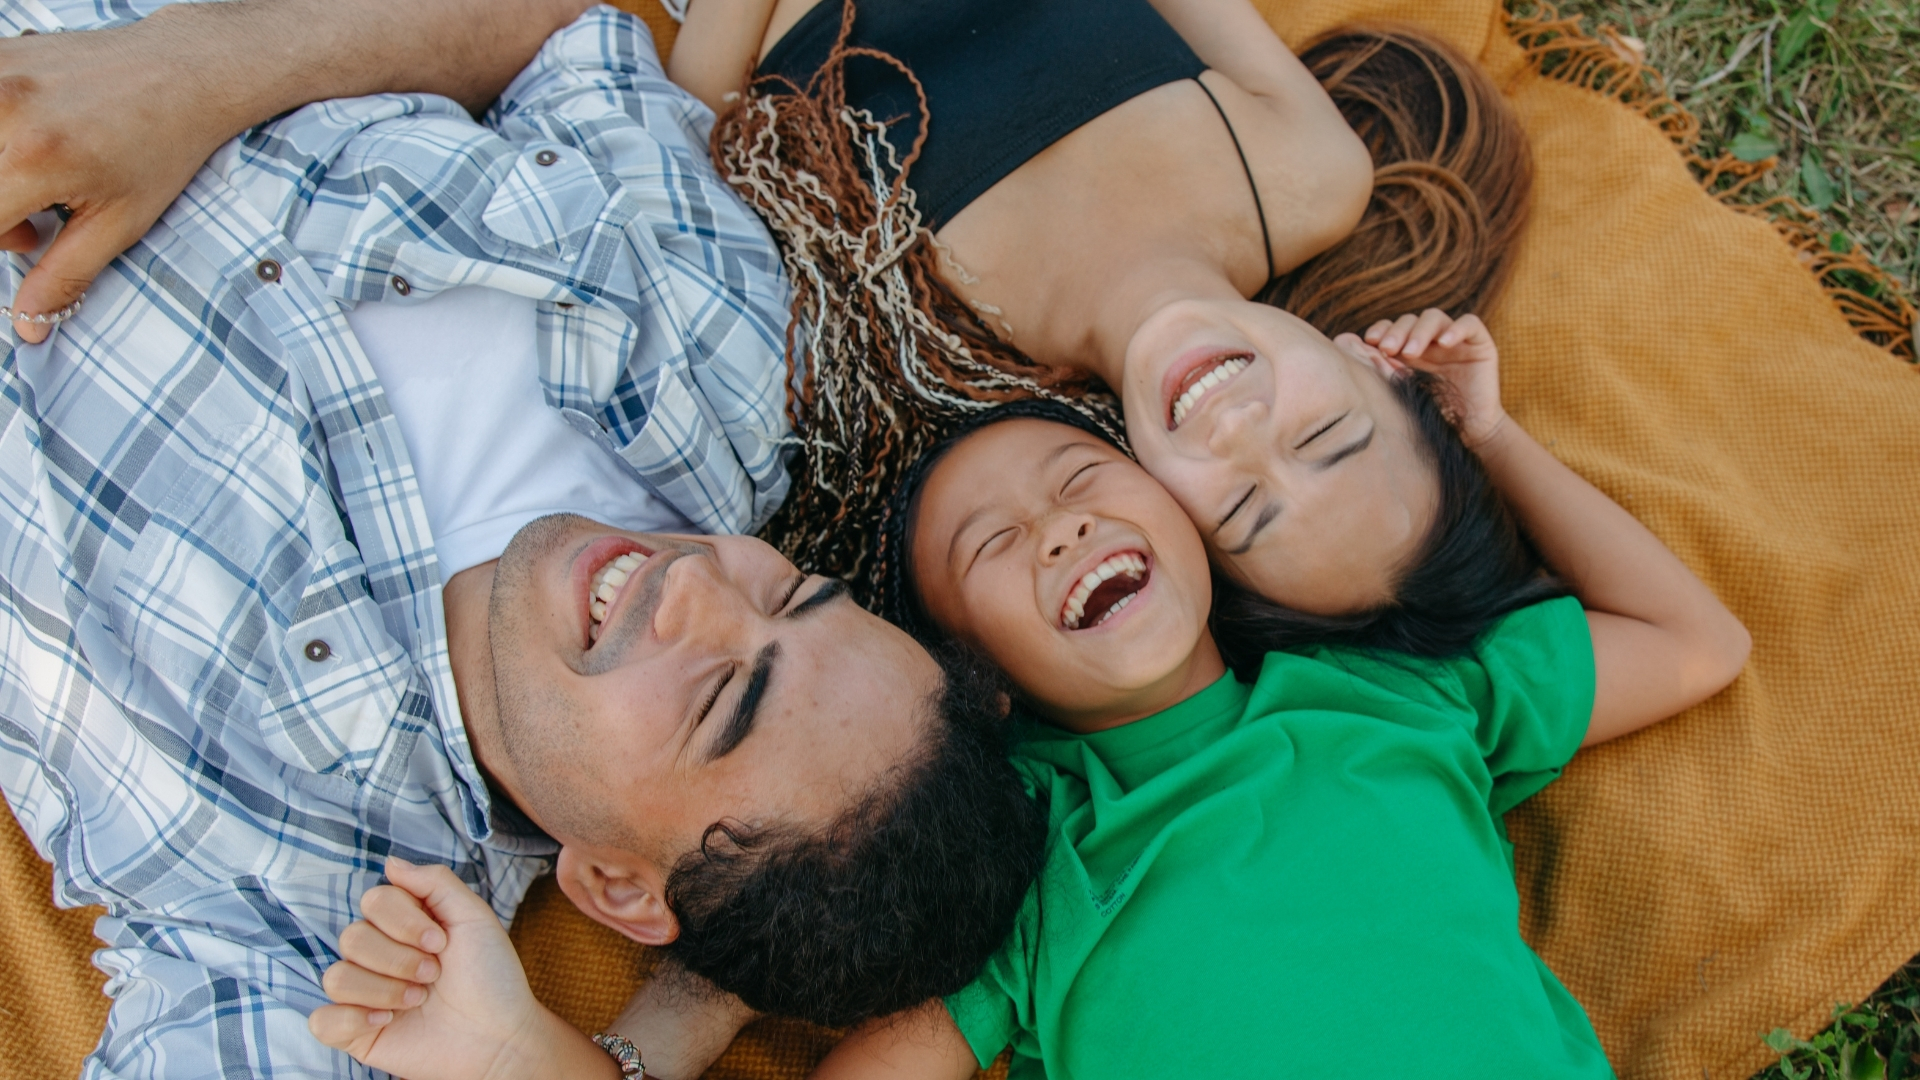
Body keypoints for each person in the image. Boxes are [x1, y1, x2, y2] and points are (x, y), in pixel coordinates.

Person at [0, 5, 1044, 1077]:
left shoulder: (307, 903)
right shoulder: (720, 367)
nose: (697, 582)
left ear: (619, 889)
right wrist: (181, 79)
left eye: (719, 702)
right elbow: (555, 24)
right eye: (794, 596)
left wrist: (530, 1061)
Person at [308, 311, 1752, 1078]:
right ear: (974, 685)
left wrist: (1489, 438)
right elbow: (786, 930)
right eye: (990, 548)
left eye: (1081, 481)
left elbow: (1697, 643)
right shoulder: (1023, 873)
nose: (1058, 527)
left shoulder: (1393, 699)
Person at [681, 0, 1533, 615]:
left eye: (1239, 510)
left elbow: (701, 118)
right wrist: (1490, 433)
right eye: (1320, 437)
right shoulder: (1309, 177)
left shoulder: (946, 350)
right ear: (1376, 363)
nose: (1240, 433)